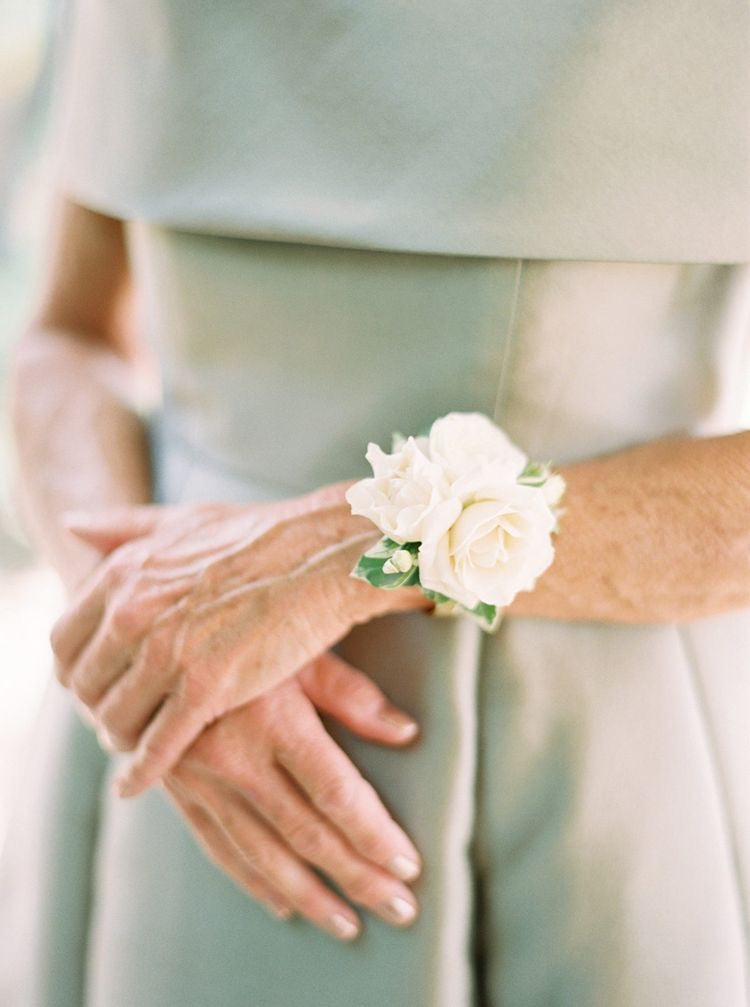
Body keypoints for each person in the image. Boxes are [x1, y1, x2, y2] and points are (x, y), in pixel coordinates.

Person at [2, 2, 749, 1005]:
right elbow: (67, 337)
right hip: (181, 758)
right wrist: (143, 629)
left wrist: (364, 541)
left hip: (577, 753)